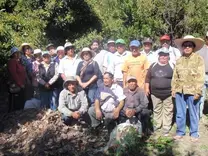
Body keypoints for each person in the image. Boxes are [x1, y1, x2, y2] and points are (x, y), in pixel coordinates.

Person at [172, 35, 205, 142]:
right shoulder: (179, 60)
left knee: (193, 112)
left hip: (192, 91)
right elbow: (175, 76)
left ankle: (194, 133)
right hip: (179, 90)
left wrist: (198, 91)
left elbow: (200, 76)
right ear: (182, 47)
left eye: (189, 45)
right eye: (185, 45)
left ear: (193, 47)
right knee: (180, 113)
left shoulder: (198, 59)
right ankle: (180, 131)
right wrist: (173, 89)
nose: (187, 47)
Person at [145, 47, 174, 136]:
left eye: (165, 55)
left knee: (168, 111)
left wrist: (174, 89)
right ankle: (157, 125)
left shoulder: (172, 65)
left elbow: (176, 79)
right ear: (158, 56)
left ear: (168, 57)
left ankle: (166, 127)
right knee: (157, 110)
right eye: (161, 55)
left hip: (168, 94)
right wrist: (146, 88)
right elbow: (147, 78)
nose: (163, 57)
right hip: (155, 94)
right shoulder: (153, 65)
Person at [196, 31, 208, 118]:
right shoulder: (200, 49)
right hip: (202, 75)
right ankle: (198, 115)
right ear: (206, 38)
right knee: (201, 96)